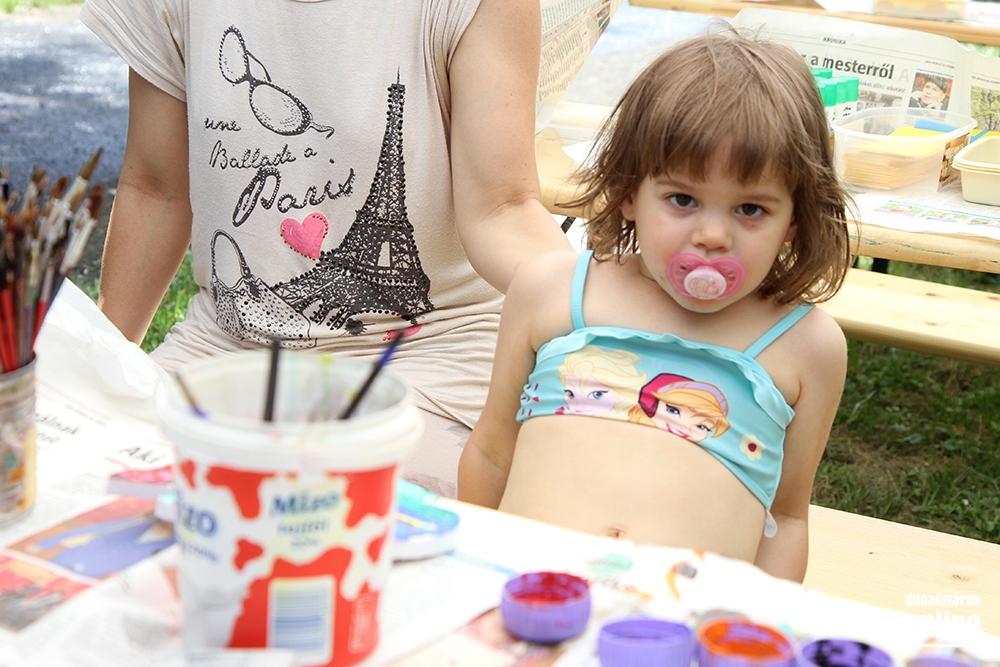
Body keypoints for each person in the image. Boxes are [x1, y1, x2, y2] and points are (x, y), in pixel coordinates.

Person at [79, 0, 572, 498]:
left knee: (329, 511)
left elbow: (503, 207)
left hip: (428, 357)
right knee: (92, 489)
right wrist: (96, 364)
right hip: (223, 349)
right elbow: (157, 188)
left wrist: (584, 301)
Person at [458, 28, 854, 582]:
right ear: (628, 192)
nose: (712, 235)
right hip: (530, 593)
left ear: (795, 219)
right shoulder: (552, 291)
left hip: (682, 618)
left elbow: (785, 518)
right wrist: (467, 575)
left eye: (750, 209)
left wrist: (756, 621)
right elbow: (492, 451)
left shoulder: (806, 346)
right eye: (682, 199)